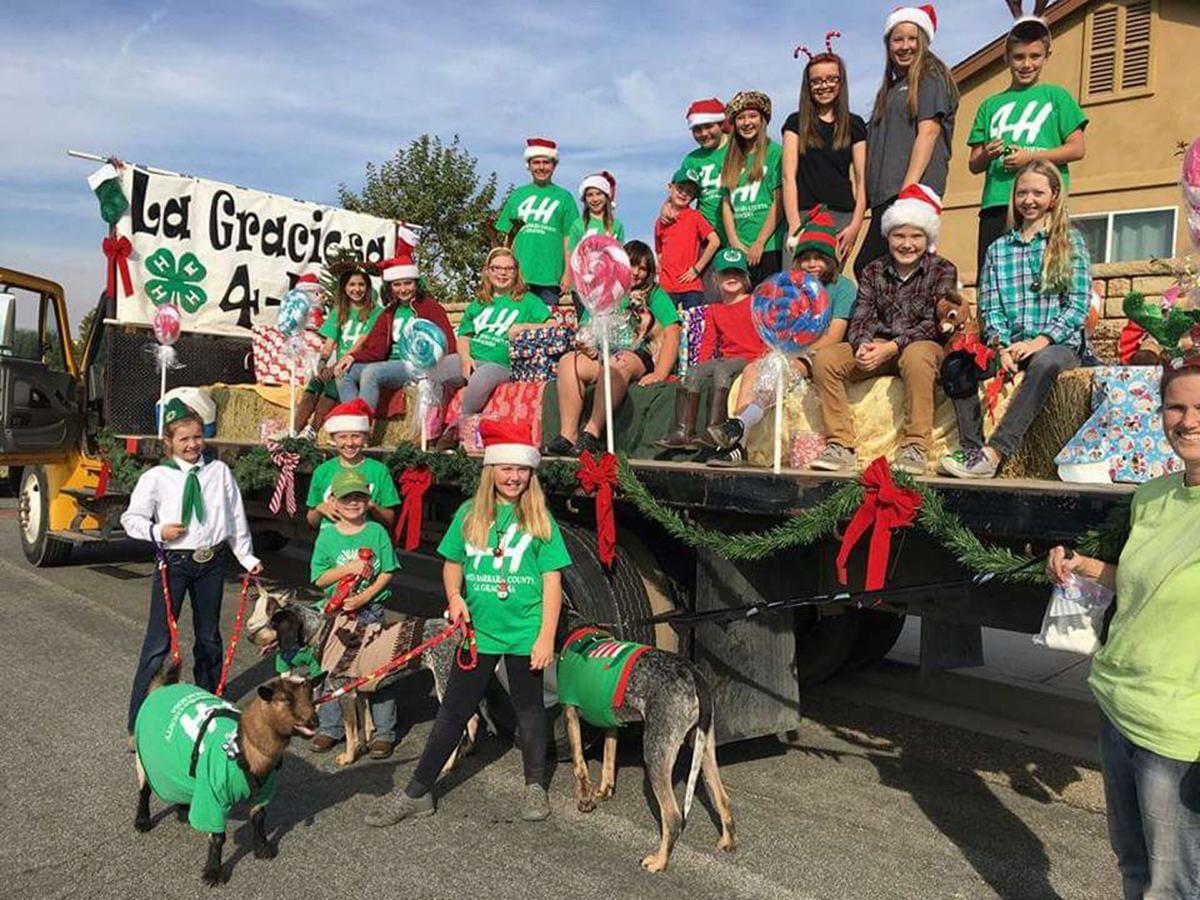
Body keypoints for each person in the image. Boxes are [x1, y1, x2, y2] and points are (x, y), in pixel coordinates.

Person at [364, 419, 570, 827]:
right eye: (506, 468)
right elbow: (453, 563)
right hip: (478, 633)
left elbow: (552, 581)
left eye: (521, 469)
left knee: (530, 710)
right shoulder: (469, 514)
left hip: (525, 633)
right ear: (491, 471)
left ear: (531, 473)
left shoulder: (540, 519)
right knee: (453, 711)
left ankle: (534, 786)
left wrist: (546, 636)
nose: (513, 477)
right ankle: (418, 791)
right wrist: (455, 597)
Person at [1046, 360, 1200, 899]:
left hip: (1180, 730)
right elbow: (1143, 583)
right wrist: (1085, 567)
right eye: (1176, 406)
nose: (1187, 420)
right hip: (1120, 703)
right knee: (1132, 866)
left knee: (1172, 885)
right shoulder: (1152, 496)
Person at [122, 399, 262, 743]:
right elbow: (131, 519)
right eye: (184, 439)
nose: (192, 444)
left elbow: (234, 518)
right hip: (174, 563)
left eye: (198, 437)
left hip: (210, 562)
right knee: (159, 641)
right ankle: (138, 722)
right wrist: (158, 532)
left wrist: (246, 557)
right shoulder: (157, 477)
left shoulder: (219, 473)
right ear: (169, 442)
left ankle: (211, 708)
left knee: (209, 637)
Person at [941, 160, 1089, 478]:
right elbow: (990, 308)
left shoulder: (1069, 242)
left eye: (1038, 192)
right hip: (1012, 345)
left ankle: (995, 452)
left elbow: (1077, 307)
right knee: (957, 365)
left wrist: (1039, 342)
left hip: (1055, 344)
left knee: (1045, 363)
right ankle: (972, 450)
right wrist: (1003, 346)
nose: (1029, 200)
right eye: (1022, 192)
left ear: (1054, 195)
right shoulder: (998, 250)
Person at [810, 183, 955, 476]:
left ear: (927, 238)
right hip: (878, 344)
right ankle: (840, 444)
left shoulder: (943, 269)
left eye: (915, 236)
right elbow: (862, 314)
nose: (907, 244)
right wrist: (863, 344)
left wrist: (892, 346)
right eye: (899, 235)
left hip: (921, 344)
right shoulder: (872, 270)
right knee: (826, 360)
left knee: (917, 356)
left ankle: (915, 445)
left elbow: (933, 323)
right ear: (888, 237)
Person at [708, 206, 859, 466]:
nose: (812, 264)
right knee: (755, 369)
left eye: (819, 257)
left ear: (831, 260)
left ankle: (740, 425)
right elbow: (780, 325)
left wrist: (794, 353)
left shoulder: (842, 288)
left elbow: (834, 336)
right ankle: (739, 445)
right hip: (791, 350)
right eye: (806, 257)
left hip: (819, 355)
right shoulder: (792, 287)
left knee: (781, 370)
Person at [968, 16, 1087, 279]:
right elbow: (974, 163)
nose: (1026, 64)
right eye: (1019, 57)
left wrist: (1030, 158)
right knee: (992, 276)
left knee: (1043, 275)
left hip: (1043, 204)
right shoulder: (990, 105)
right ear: (1007, 58)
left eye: (1035, 56)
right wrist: (988, 153)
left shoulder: (1057, 97)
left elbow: (1077, 148)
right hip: (997, 203)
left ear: (1046, 56)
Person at [544, 240, 682, 456]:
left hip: (636, 354)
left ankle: (591, 433)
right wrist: (586, 347)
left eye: (643, 268)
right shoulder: (603, 290)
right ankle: (567, 436)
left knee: (617, 362)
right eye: (632, 264)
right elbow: (586, 329)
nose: (636, 272)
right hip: (602, 353)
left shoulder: (653, 294)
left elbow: (672, 331)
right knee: (568, 361)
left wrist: (660, 372)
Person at [856, 4, 959, 280]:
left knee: (897, 267)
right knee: (878, 270)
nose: (904, 46)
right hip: (884, 195)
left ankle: (938, 309)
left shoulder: (930, 77)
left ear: (923, 41)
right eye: (897, 39)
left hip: (909, 192)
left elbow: (928, 132)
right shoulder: (889, 89)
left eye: (911, 38)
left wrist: (907, 191)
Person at [308, 468, 401, 758]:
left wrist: (364, 596)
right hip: (337, 613)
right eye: (346, 498)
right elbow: (319, 578)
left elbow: (387, 571)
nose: (353, 503)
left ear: (367, 499)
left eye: (359, 497)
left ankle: (383, 731)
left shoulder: (376, 532)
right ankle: (330, 726)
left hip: (370, 610)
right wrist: (346, 570)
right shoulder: (327, 537)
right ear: (333, 502)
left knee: (377, 670)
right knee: (332, 670)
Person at [433, 248, 553, 451]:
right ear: (487, 271)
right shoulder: (479, 303)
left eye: (509, 268)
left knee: (482, 376)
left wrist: (525, 327)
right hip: (474, 356)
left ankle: (455, 428)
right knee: (435, 372)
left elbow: (552, 324)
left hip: (503, 364)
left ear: (516, 272)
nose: (503, 273)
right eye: (497, 268)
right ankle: (430, 431)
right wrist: (465, 357)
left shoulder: (528, 301)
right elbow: (464, 336)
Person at [333, 243, 456, 416]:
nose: (403, 289)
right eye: (397, 285)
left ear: (416, 283)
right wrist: (351, 356)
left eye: (408, 283)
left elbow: (447, 341)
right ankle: (353, 424)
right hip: (389, 363)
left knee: (372, 372)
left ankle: (361, 424)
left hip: (416, 365)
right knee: (343, 372)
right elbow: (374, 347)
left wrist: (433, 364)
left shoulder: (429, 307)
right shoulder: (390, 312)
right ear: (390, 287)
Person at [657, 248, 762, 451]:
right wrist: (701, 364)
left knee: (721, 370)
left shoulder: (755, 303)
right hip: (726, 358)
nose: (731, 277)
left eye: (737, 273)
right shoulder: (714, 309)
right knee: (693, 371)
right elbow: (708, 342)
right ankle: (683, 431)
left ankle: (715, 429)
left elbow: (766, 331)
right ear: (716, 278)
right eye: (725, 273)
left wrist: (763, 358)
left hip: (750, 357)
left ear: (746, 277)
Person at [783, 35, 868, 261]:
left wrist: (856, 225)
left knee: (828, 282)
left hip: (841, 216)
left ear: (841, 82)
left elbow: (862, 180)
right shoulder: (795, 123)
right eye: (817, 81)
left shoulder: (855, 124)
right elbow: (788, 176)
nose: (824, 86)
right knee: (794, 285)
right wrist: (794, 225)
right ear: (808, 85)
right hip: (803, 214)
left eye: (831, 79)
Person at [296, 267, 381, 439]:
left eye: (361, 285)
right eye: (352, 285)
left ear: (368, 287)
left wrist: (335, 365)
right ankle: (295, 428)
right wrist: (322, 362)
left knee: (336, 378)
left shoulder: (376, 311)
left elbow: (360, 343)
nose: (356, 289)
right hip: (339, 361)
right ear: (344, 287)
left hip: (359, 362)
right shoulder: (339, 310)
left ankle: (313, 429)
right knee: (316, 381)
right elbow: (329, 344)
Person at [494, 138, 579, 307]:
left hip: (549, 276)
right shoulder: (517, 196)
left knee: (545, 327)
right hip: (518, 275)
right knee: (515, 324)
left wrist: (568, 273)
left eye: (546, 162)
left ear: (553, 165)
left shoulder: (564, 198)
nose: (541, 167)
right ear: (529, 165)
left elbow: (570, 238)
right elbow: (507, 239)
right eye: (536, 162)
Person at [669, 98, 731, 301]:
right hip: (707, 238)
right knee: (711, 299)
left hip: (739, 233)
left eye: (708, 126)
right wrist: (666, 207)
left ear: (721, 123)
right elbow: (678, 191)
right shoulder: (692, 160)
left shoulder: (736, 148)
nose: (703, 134)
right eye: (697, 129)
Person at [720, 91, 784, 287]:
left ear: (763, 119)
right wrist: (734, 241)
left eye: (752, 116)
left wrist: (759, 243)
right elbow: (726, 204)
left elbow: (778, 201)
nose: (746, 123)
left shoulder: (775, 153)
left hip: (769, 246)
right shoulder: (730, 159)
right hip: (740, 247)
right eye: (740, 118)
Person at [305, 398, 399, 530]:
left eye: (356, 436)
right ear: (333, 439)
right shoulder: (322, 471)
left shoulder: (379, 471)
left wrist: (371, 506)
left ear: (365, 437)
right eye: (342, 437)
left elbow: (390, 520)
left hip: (367, 545)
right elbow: (312, 522)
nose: (349, 443)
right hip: (332, 545)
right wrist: (320, 509)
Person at [654, 170, 721, 311]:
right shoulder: (661, 222)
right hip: (667, 286)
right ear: (670, 187)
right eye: (680, 188)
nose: (684, 193)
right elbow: (659, 252)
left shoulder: (695, 217)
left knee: (693, 328)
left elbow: (715, 241)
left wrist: (697, 270)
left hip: (690, 285)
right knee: (668, 328)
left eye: (689, 191)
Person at [565, 171, 626, 319]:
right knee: (586, 325)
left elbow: (621, 257)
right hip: (583, 285)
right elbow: (571, 251)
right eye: (590, 195)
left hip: (608, 285)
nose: (594, 199)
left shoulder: (616, 225)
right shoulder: (579, 225)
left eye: (598, 194)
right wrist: (568, 276)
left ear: (606, 196)